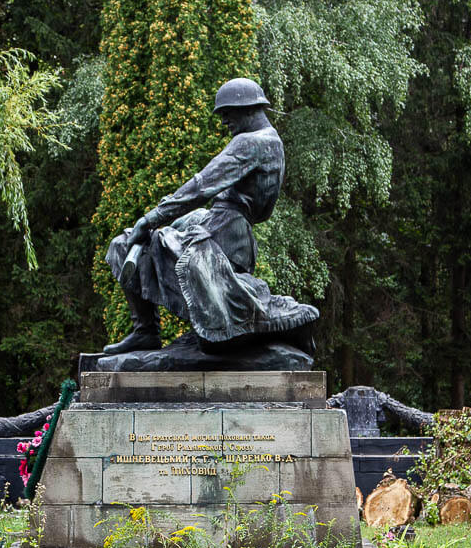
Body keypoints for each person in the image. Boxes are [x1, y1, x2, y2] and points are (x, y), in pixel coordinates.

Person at [103, 77, 318, 356]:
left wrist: (150, 219)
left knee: (126, 243)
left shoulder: (252, 142)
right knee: (128, 244)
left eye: (228, 113)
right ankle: (145, 331)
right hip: (222, 227)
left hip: (225, 234)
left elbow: (202, 184)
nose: (224, 121)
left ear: (247, 109)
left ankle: (148, 330)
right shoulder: (270, 141)